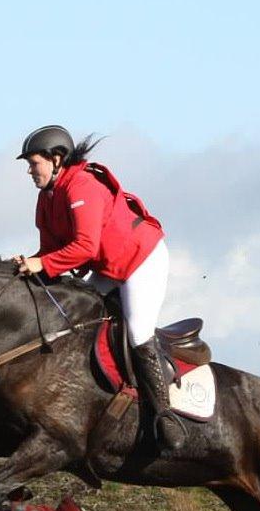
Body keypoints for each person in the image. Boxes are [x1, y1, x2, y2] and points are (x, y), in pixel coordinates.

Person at [13, 125, 185, 450]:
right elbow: (49, 253)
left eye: (34, 163)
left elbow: (85, 248)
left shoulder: (82, 186)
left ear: (56, 159)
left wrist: (41, 264)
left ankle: (165, 416)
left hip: (140, 259)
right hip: (108, 265)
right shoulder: (46, 199)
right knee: (76, 319)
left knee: (138, 332)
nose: (30, 171)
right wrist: (26, 267)